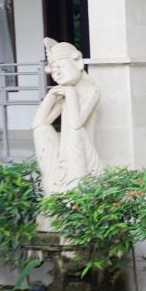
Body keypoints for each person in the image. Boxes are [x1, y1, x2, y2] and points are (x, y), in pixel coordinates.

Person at [32, 38, 102, 209]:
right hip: (66, 150)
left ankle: (75, 191)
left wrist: (69, 93)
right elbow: (38, 124)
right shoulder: (63, 91)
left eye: (60, 66)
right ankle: (54, 190)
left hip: (83, 153)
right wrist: (50, 97)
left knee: (71, 130)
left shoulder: (91, 90)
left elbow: (76, 123)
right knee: (42, 132)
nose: (56, 73)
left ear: (77, 62)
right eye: (53, 69)